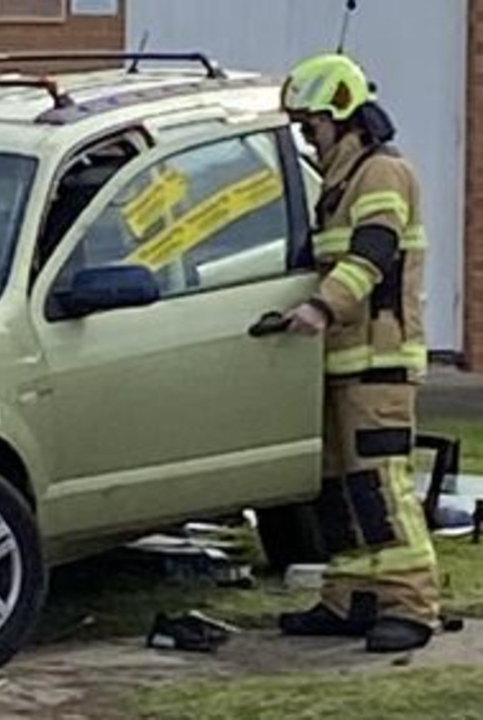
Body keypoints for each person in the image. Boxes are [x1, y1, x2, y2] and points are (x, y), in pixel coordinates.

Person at [277, 53, 439, 653]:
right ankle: (352, 599)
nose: (307, 136)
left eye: (311, 125)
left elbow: (373, 252)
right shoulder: (340, 182)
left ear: (343, 117)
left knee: (380, 486)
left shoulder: (381, 175)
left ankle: (411, 606)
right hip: (344, 366)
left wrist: (321, 307)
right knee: (340, 491)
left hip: (379, 362)